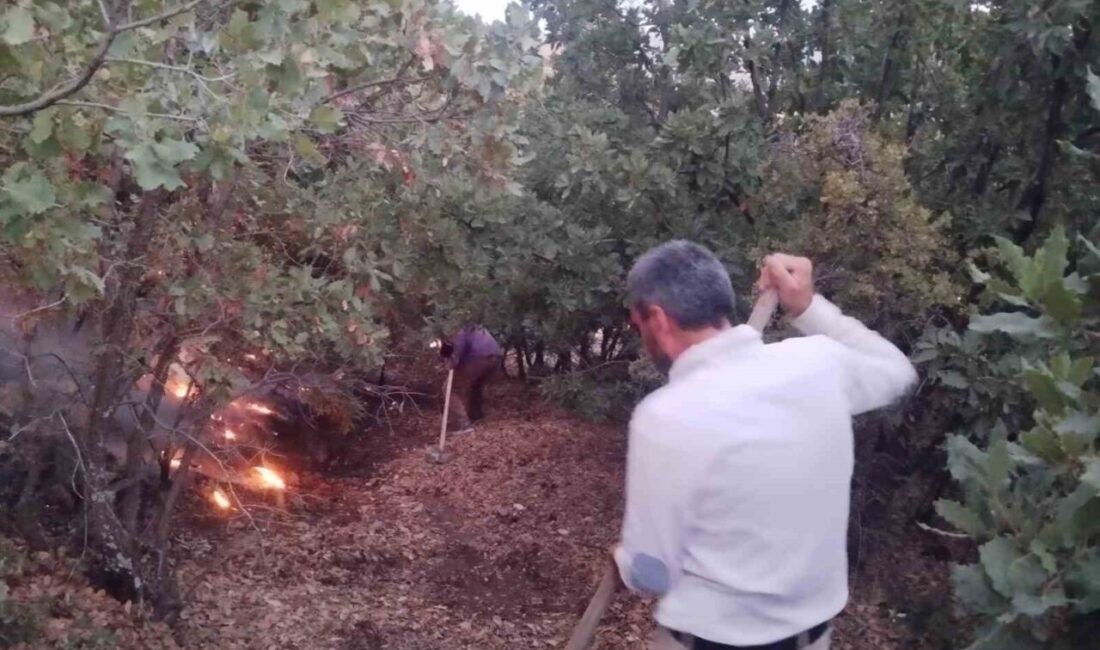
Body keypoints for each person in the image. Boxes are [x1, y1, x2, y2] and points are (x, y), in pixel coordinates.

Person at [614, 242, 917, 650]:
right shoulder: (818, 365)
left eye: (638, 325)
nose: (642, 336)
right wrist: (807, 306)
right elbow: (896, 371)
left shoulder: (664, 418)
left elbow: (652, 575)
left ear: (657, 319)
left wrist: (626, 562)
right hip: (811, 641)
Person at [439, 324, 502, 433]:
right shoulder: (474, 325)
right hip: (496, 358)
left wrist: (451, 363)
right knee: (476, 384)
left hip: (478, 358)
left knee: (450, 388)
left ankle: (463, 424)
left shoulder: (459, 328)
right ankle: (476, 416)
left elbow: (457, 352)